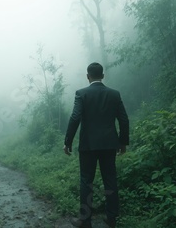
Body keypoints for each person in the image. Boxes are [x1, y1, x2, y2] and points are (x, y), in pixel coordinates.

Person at [63, 62, 129, 228]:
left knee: (86, 181)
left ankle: (85, 221)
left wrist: (68, 142)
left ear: (88, 76)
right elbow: (123, 119)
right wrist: (123, 142)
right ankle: (112, 219)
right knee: (110, 179)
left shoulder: (81, 94)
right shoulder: (114, 94)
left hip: (88, 146)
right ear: (103, 75)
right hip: (109, 145)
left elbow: (75, 118)